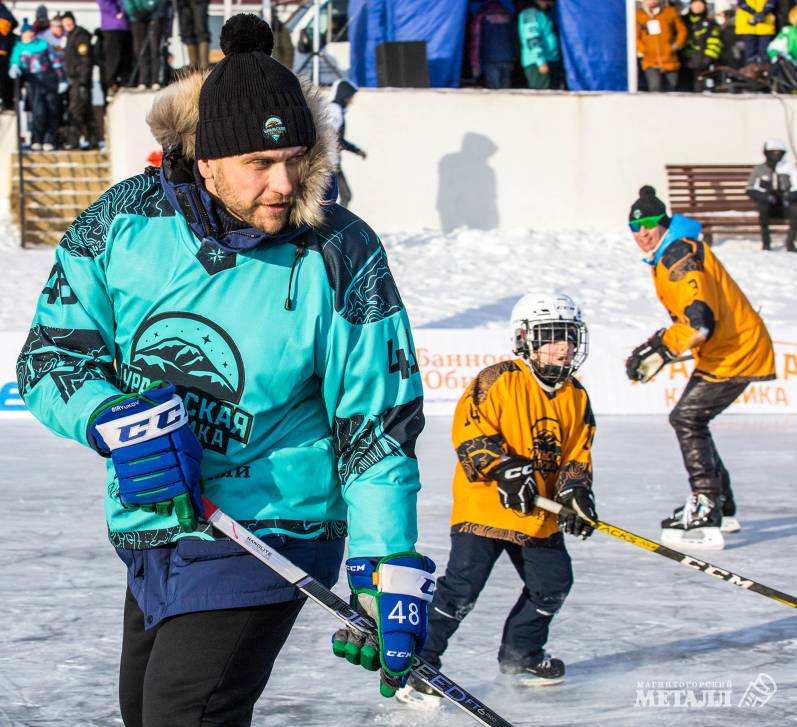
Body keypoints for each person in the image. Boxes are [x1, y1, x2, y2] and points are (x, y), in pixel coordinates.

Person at [18, 13, 433, 726]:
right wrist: (109, 417)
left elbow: (377, 419)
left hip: (270, 531)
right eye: (259, 164)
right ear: (205, 160)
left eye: (296, 158)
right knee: (146, 714)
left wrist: (383, 559)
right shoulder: (123, 222)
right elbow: (53, 354)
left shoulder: (338, 252)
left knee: (183, 714)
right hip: (155, 524)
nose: (284, 182)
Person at [398, 293, 598, 702]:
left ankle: (522, 656)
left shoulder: (577, 396)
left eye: (570, 337)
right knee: (461, 589)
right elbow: (470, 433)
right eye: (552, 337)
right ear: (525, 338)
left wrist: (575, 493)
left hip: (538, 514)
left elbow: (577, 454)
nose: (564, 347)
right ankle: (420, 664)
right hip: (486, 506)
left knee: (554, 584)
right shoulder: (499, 379)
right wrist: (505, 470)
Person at [624, 186, 775, 550]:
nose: (642, 234)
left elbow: (697, 323)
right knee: (692, 418)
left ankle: (708, 505)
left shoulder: (679, 257)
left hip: (736, 352)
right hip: (726, 350)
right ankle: (720, 503)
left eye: (648, 224)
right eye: (634, 227)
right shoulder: (672, 251)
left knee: (687, 419)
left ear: (663, 224)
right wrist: (662, 344)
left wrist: (662, 347)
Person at [9, 17, 66, 150]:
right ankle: (37, 139)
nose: (30, 34)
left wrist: (62, 79)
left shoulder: (43, 44)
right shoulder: (19, 48)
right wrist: (14, 68)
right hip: (33, 82)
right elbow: (15, 62)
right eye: (27, 32)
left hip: (49, 80)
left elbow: (55, 62)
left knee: (52, 110)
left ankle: (50, 140)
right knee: (38, 111)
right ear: (23, 34)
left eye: (31, 32)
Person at [746, 138, 797, 251]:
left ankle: (790, 242)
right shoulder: (760, 169)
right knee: (763, 207)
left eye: (778, 153)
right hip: (769, 205)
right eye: (772, 153)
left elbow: (796, 185)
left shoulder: (789, 168)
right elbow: (750, 188)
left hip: (785, 205)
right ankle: (766, 242)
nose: (775, 156)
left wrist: (790, 195)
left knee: (795, 209)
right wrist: (764, 196)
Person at [61, 11, 98, 149]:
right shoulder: (70, 36)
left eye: (68, 21)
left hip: (80, 81)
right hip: (75, 80)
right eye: (64, 22)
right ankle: (93, 141)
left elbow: (85, 59)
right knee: (86, 111)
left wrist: (83, 81)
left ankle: (73, 141)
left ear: (73, 21)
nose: (67, 24)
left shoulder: (80, 35)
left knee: (75, 111)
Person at [328, 78, 366, 209]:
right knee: (344, 195)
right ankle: (336, 227)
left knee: (339, 196)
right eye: (351, 97)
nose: (351, 101)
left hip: (331, 162)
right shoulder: (334, 111)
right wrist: (356, 150)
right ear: (344, 95)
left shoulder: (335, 110)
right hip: (330, 163)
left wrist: (356, 151)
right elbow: (331, 138)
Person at [636, 0, 687, 92]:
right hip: (650, 61)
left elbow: (682, 30)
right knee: (655, 87)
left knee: (671, 88)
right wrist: (644, 50)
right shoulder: (639, 15)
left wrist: (676, 45)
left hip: (669, 59)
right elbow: (636, 37)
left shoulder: (669, 12)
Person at [469, 0, 517, 90]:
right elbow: (514, 37)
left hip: (490, 59)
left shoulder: (481, 16)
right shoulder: (508, 14)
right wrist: (515, 56)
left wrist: (475, 64)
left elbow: (476, 40)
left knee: (495, 92)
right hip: (508, 57)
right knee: (506, 92)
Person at [517, 0, 559, 90]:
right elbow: (532, 39)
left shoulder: (541, 13)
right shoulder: (530, 14)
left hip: (549, 59)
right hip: (537, 63)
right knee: (542, 96)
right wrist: (540, 61)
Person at [123, 0, 165, 88]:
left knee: (155, 49)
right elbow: (127, 2)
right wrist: (134, 11)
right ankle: (143, 80)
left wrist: (150, 8)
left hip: (153, 17)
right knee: (140, 50)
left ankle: (155, 79)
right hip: (137, 19)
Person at [682, 0, 722, 91]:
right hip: (682, 62)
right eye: (695, 4)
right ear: (690, 5)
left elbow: (715, 41)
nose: (698, 6)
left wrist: (707, 58)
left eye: (700, 4)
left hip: (701, 63)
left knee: (698, 89)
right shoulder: (683, 20)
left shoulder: (710, 23)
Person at [97, 0, 132, 97]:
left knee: (125, 56)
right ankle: (111, 83)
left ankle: (124, 80)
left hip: (126, 25)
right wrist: (116, 11)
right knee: (113, 56)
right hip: (112, 26)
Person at [735, 0, 776, 64]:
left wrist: (764, 12)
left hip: (765, 25)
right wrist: (754, 12)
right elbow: (741, 2)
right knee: (750, 55)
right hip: (747, 25)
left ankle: (766, 72)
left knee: (765, 55)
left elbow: (772, 2)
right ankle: (750, 72)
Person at [175, 0, 209, 69]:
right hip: (183, 4)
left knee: (201, 32)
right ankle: (193, 67)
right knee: (188, 34)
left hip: (199, 3)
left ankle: (204, 67)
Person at [0, 1, 18, 110]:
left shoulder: (2, 9)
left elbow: (5, 26)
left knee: (3, 78)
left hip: (2, 51)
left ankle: (7, 103)